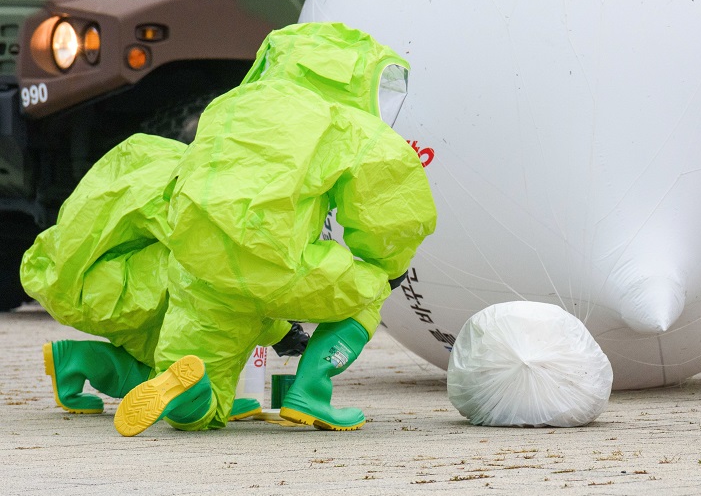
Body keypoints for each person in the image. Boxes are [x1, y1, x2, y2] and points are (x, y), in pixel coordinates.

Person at [110, 22, 436, 436]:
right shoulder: (347, 124)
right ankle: (310, 393)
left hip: (199, 274)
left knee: (201, 414)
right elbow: (392, 211)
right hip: (282, 269)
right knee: (371, 289)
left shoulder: (226, 108)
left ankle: (185, 393)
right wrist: (387, 267)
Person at [21, 134, 306, 422]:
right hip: (110, 289)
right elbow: (223, 275)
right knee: (198, 324)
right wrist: (280, 330)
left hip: (88, 280)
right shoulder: (201, 199)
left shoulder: (186, 173)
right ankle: (200, 398)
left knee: (177, 350)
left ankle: (71, 360)